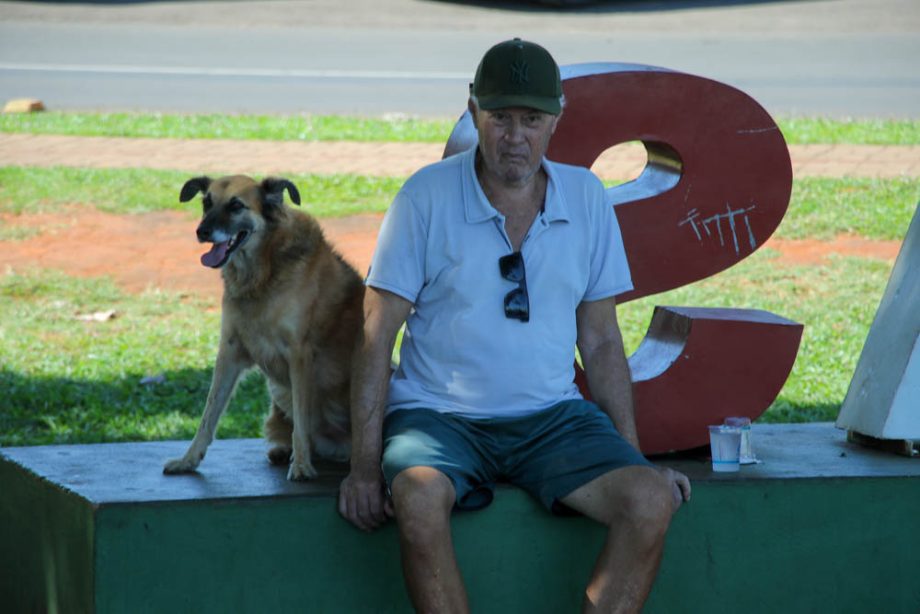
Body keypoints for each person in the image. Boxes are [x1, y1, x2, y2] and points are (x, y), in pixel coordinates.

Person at [338, 37, 691, 613]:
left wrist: (632, 458)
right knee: (417, 497)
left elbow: (600, 340)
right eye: (500, 117)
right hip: (440, 415)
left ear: (556, 118)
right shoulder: (425, 197)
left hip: (552, 419)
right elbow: (377, 336)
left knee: (651, 500)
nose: (515, 135)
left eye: (531, 118)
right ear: (473, 110)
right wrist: (362, 469)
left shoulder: (586, 197)